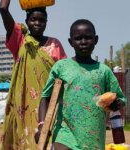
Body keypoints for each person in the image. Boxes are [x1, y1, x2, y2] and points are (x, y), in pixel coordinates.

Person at [36, 19, 127, 150]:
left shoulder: (103, 71)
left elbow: (121, 99)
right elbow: (46, 97)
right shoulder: (61, 67)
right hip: (64, 133)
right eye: (78, 38)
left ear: (96, 40)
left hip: (93, 138)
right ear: (70, 42)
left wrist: (116, 103)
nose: (83, 42)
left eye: (88, 38)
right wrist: (42, 125)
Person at [0, 0, 67, 149]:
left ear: (47, 22)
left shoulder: (55, 44)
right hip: (24, 106)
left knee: (47, 143)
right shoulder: (20, 40)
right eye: (33, 19)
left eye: (42, 20)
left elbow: (65, 75)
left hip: (49, 106)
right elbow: (3, 9)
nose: (37, 23)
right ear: (26, 21)